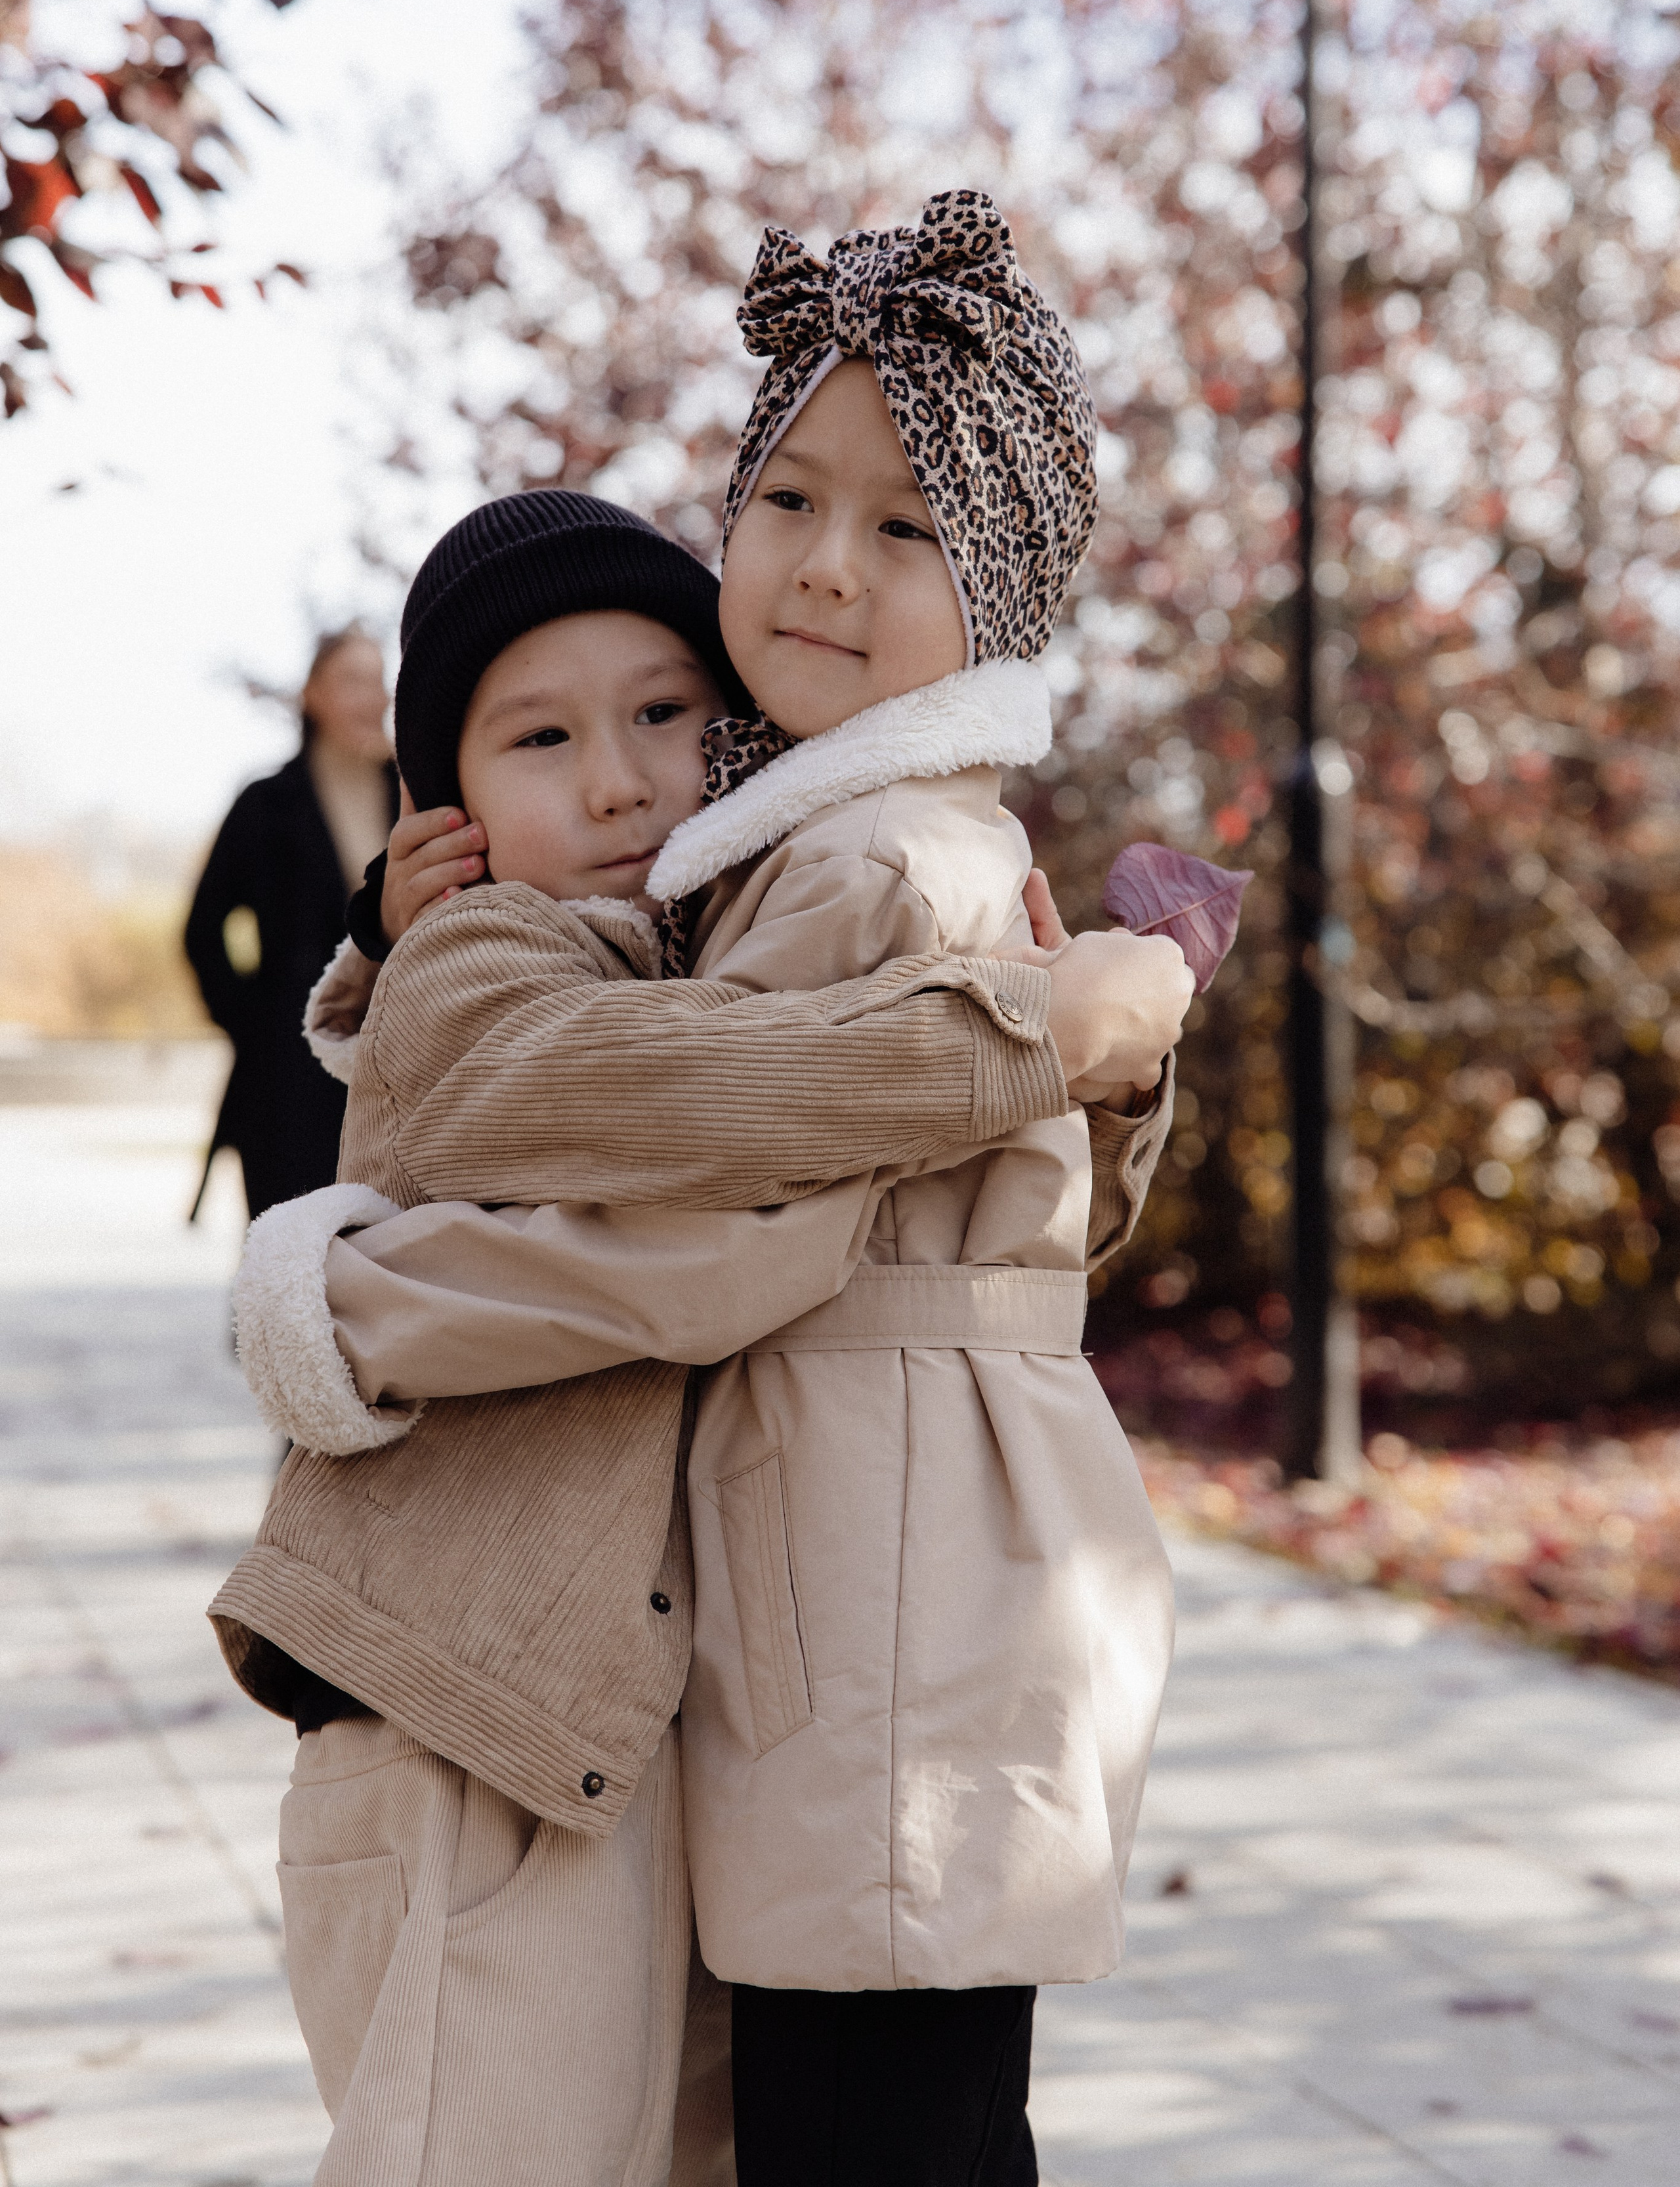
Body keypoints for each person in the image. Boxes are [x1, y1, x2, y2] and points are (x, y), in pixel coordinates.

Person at [209, 484, 1176, 2187]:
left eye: (666, 714)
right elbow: (738, 1222)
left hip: (589, 1720)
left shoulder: (696, 945)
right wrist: (1028, 1035)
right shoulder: (487, 959)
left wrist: (1093, 1075)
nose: (617, 779)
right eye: (538, 738)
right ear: (445, 808)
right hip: (459, 1723)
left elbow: (965, 1242)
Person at [184, 627, 398, 1219]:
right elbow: (203, 931)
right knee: (287, 1246)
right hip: (287, 1069)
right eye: (353, 680)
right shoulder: (266, 802)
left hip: (394, 1059)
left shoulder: (409, 792)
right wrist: (257, 1027)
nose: (373, 697)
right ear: (314, 694)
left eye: (380, 681)